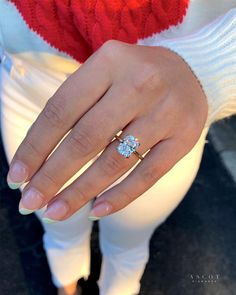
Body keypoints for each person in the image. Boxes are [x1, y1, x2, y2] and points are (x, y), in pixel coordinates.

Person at [1, 1, 236, 295]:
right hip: (31, 88)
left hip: (165, 104)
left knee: (129, 241)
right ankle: (66, 283)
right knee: (56, 221)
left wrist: (214, 64)